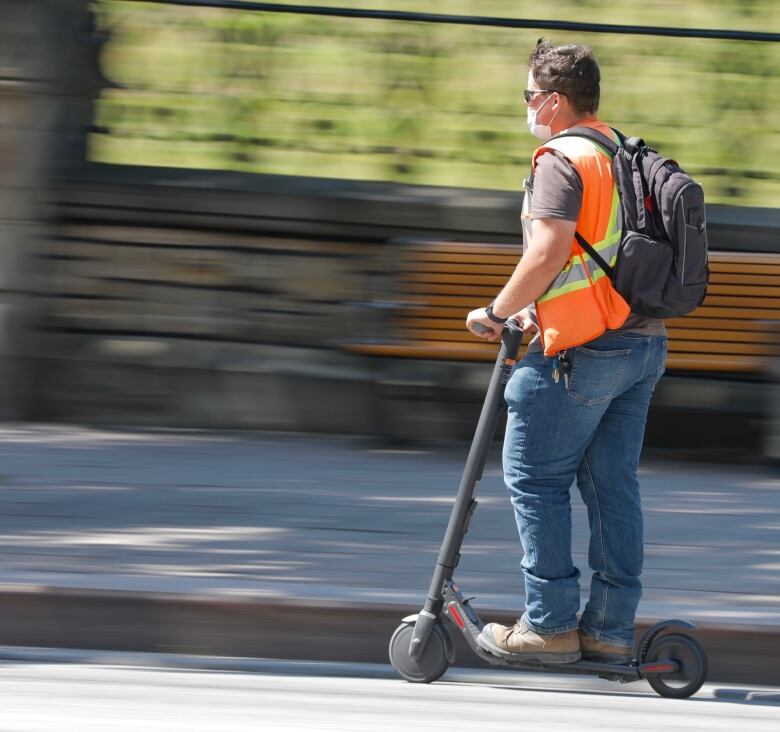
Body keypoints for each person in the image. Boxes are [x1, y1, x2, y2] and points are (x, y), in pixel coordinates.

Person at [465, 39, 668, 665]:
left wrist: (496, 311)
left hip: (583, 352)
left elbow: (549, 250)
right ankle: (608, 630)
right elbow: (592, 257)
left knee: (535, 478)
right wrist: (538, 303)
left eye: (529, 95)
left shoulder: (560, 158)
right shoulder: (621, 151)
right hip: (642, 344)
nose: (526, 107)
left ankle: (550, 625)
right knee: (612, 487)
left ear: (553, 101)